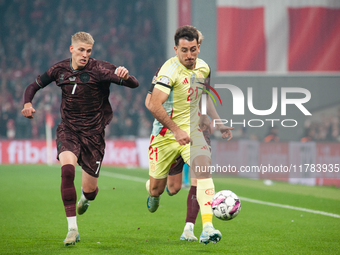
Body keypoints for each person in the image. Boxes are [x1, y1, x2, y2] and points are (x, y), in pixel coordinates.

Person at [21, 32, 139, 245]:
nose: (85, 55)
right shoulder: (59, 70)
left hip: (93, 136)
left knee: (90, 191)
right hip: (69, 130)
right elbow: (33, 86)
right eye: (81, 50)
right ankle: (72, 229)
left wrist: (125, 75)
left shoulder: (100, 69)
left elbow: (134, 84)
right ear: (72, 49)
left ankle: (86, 198)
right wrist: (27, 103)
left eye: (89, 51)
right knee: (67, 172)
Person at [145, 25, 233, 245]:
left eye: (193, 49)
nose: (189, 55)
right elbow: (154, 105)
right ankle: (152, 192)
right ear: (176, 49)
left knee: (203, 171)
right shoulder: (168, 71)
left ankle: (208, 227)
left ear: (199, 47)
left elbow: (203, 95)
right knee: (167, 189)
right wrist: (176, 130)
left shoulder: (203, 68)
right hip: (166, 134)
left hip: (193, 132)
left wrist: (215, 120)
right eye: (184, 50)